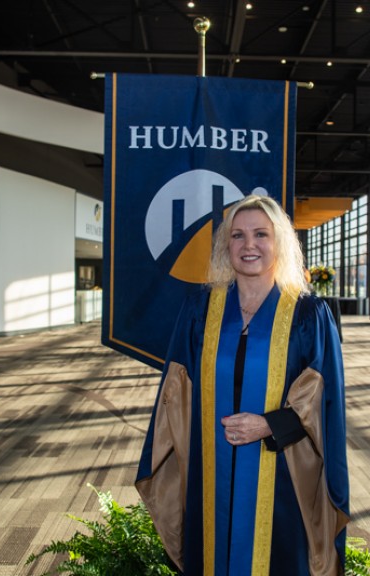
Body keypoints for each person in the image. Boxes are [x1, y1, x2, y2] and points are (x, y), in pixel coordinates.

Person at [136, 195, 350, 576]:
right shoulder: (199, 311)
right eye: (238, 235)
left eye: (260, 234)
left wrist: (271, 423)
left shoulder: (308, 315)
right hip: (209, 477)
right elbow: (175, 391)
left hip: (280, 477)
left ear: (279, 243)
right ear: (225, 246)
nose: (249, 245)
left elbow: (324, 401)